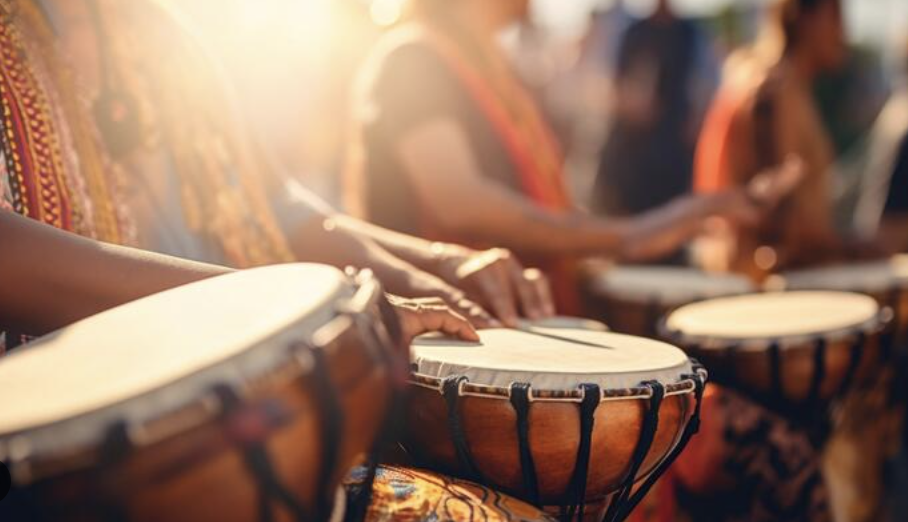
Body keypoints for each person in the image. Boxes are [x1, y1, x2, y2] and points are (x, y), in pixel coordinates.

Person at [4, 0, 557, 336]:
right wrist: (297, 309)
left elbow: (276, 206)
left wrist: (432, 269)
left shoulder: (166, 36)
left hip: (250, 390)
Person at [345, 0, 799, 313]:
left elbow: (538, 207)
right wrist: (629, 235)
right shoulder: (410, 59)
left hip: (520, 345)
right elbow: (459, 201)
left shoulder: (491, 69)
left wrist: (685, 217)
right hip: (457, 370)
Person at [694, 0, 872, 277]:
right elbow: (773, 222)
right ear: (804, 19)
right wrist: (852, 249)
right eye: (835, 17)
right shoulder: (773, 90)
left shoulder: (785, 85)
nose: (843, 33)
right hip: (760, 286)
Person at [592, 0, 709, 237]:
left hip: (673, 150)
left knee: (670, 229)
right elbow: (616, 87)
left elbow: (705, 88)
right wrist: (633, 102)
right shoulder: (634, 33)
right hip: (637, 154)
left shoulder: (690, 34)